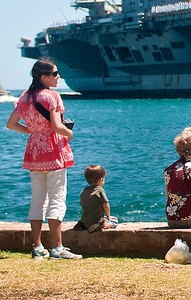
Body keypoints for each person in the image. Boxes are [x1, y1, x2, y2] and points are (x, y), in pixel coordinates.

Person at [6, 58, 82, 260]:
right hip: (54, 150)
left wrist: (33, 131)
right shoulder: (52, 96)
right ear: (43, 76)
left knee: (38, 200)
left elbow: (11, 124)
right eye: (55, 74)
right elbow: (57, 126)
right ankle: (57, 247)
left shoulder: (23, 97)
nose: (59, 77)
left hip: (34, 152)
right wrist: (69, 134)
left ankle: (37, 247)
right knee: (57, 198)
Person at [77, 164, 118, 232]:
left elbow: (82, 204)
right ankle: (102, 226)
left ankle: (85, 225)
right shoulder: (99, 190)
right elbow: (105, 205)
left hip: (85, 221)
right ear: (101, 180)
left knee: (90, 219)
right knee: (114, 222)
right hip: (96, 221)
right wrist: (109, 216)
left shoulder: (84, 191)